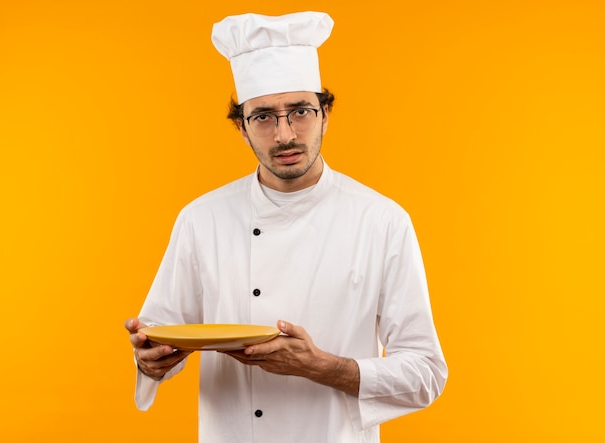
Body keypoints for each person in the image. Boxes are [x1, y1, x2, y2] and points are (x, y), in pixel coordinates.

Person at [125, 11, 447, 443]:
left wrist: (320, 365)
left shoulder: (382, 220)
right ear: (241, 127)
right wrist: (152, 359)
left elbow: (426, 373)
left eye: (299, 111)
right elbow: (162, 337)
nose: (284, 135)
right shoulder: (202, 218)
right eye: (263, 117)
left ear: (325, 113)